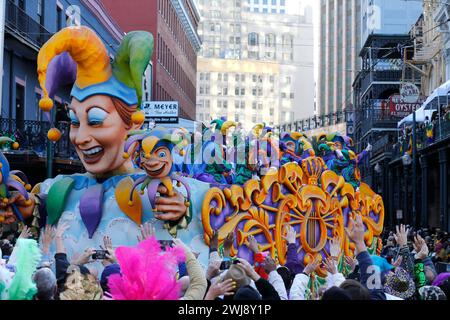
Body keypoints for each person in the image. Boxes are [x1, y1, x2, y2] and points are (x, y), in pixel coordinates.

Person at [5, 26, 211, 273]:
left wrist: (182, 214)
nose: (80, 137)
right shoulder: (59, 188)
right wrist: (29, 209)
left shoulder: (157, 188)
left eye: (95, 121)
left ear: (132, 123)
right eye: (74, 121)